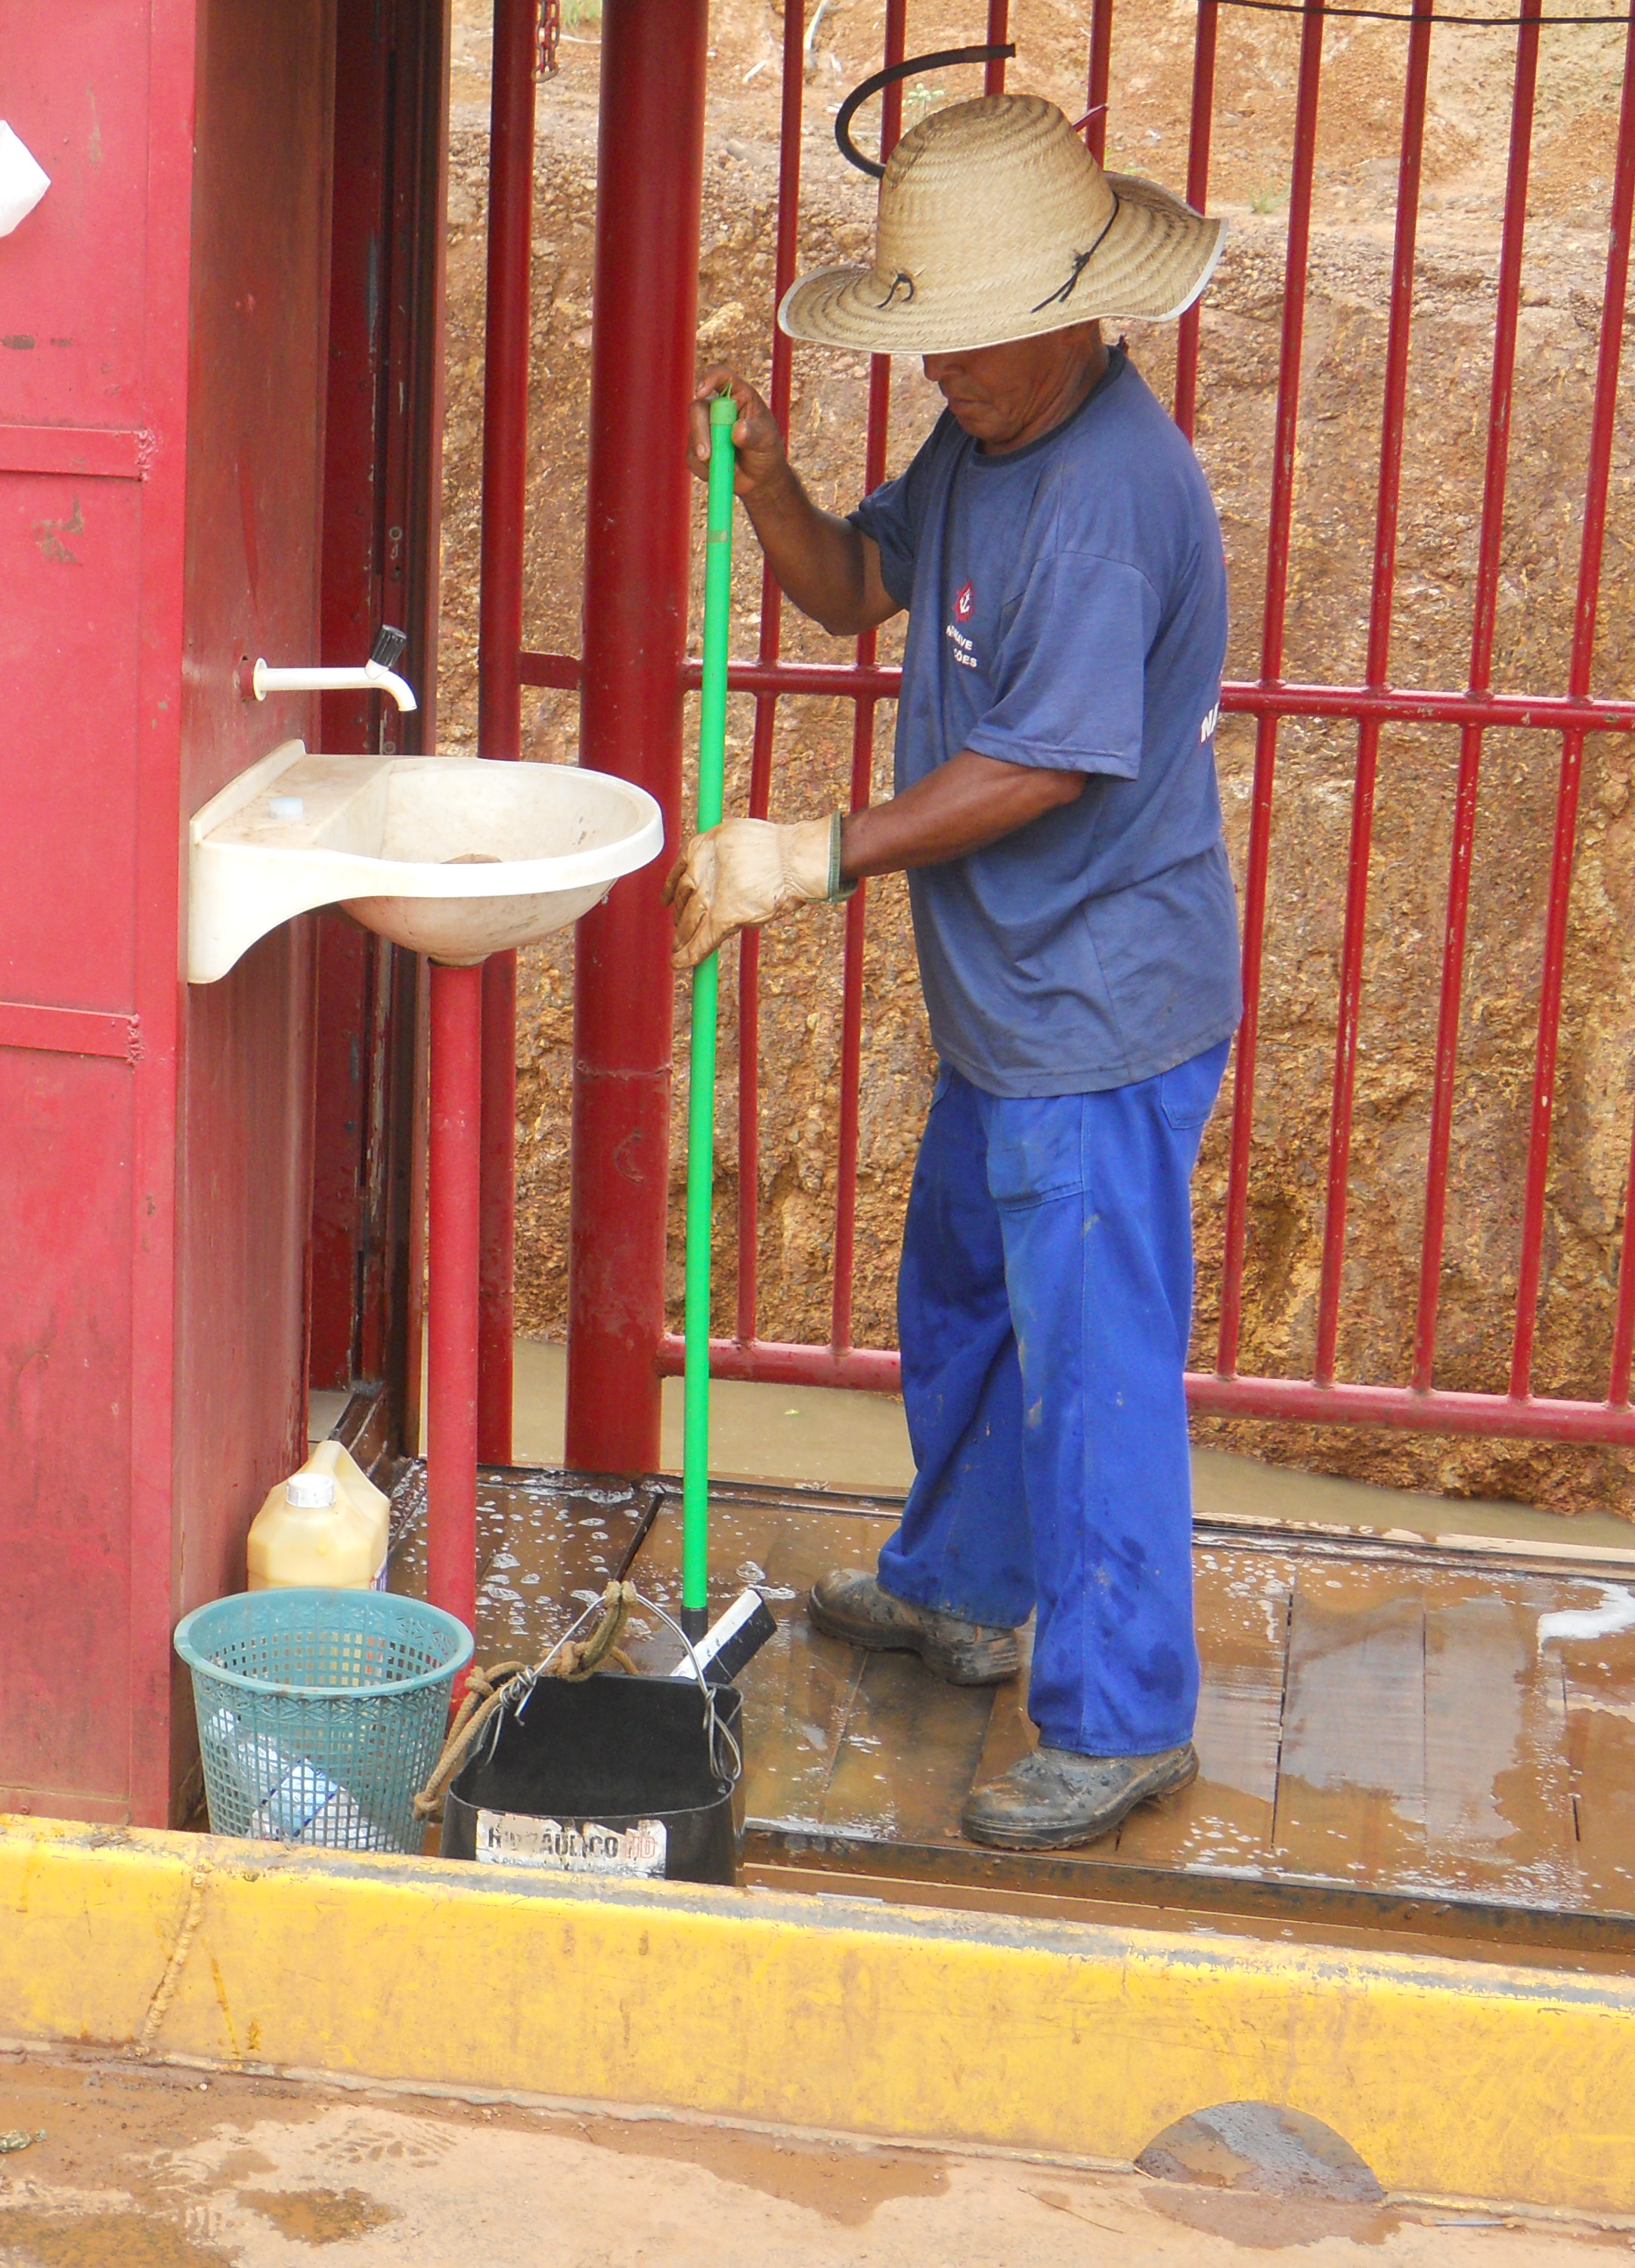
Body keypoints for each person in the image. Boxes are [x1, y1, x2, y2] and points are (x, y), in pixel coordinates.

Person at [668, 94, 1237, 1850]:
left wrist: (810, 851)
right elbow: (852, 589)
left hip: (1098, 1011)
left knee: (1094, 1368)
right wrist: (766, 486)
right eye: (921, 341)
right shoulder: (987, 444)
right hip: (1009, 1001)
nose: (937, 373)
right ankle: (963, 1586)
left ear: (1076, 309)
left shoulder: (1110, 495)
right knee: (969, 1306)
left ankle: (1121, 1708)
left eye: (964, 342)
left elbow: (1047, 766)